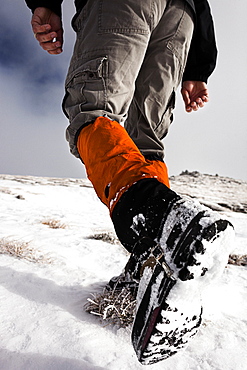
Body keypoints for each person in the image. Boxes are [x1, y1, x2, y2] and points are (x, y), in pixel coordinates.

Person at [24, 0, 234, 365]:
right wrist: (198, 66)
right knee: (144, 141)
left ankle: (160, 223)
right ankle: (150, 268)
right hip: (181, 17)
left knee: (92, 108)